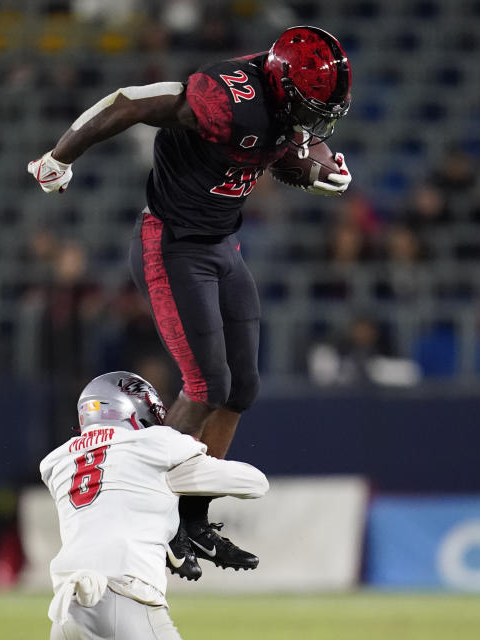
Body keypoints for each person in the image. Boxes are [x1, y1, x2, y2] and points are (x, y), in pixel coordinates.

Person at [28, 25, 352, 579]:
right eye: (308, 108)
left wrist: (320, 165)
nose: (315, 123)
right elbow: (129, 102)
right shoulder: (224, 99)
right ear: (279, 86)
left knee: (240, 388)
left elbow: (296, 142)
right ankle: (153, 518)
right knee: (206, 386)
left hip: (222, 246)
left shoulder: (282, 98)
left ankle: (191, 518)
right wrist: (60, 156)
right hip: (172, 246)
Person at [40, 371, 268, 640]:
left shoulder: (57, 461)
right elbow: (254, 483)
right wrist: (188, 487)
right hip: (124, 600)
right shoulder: (156, 443)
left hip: (67, 611)